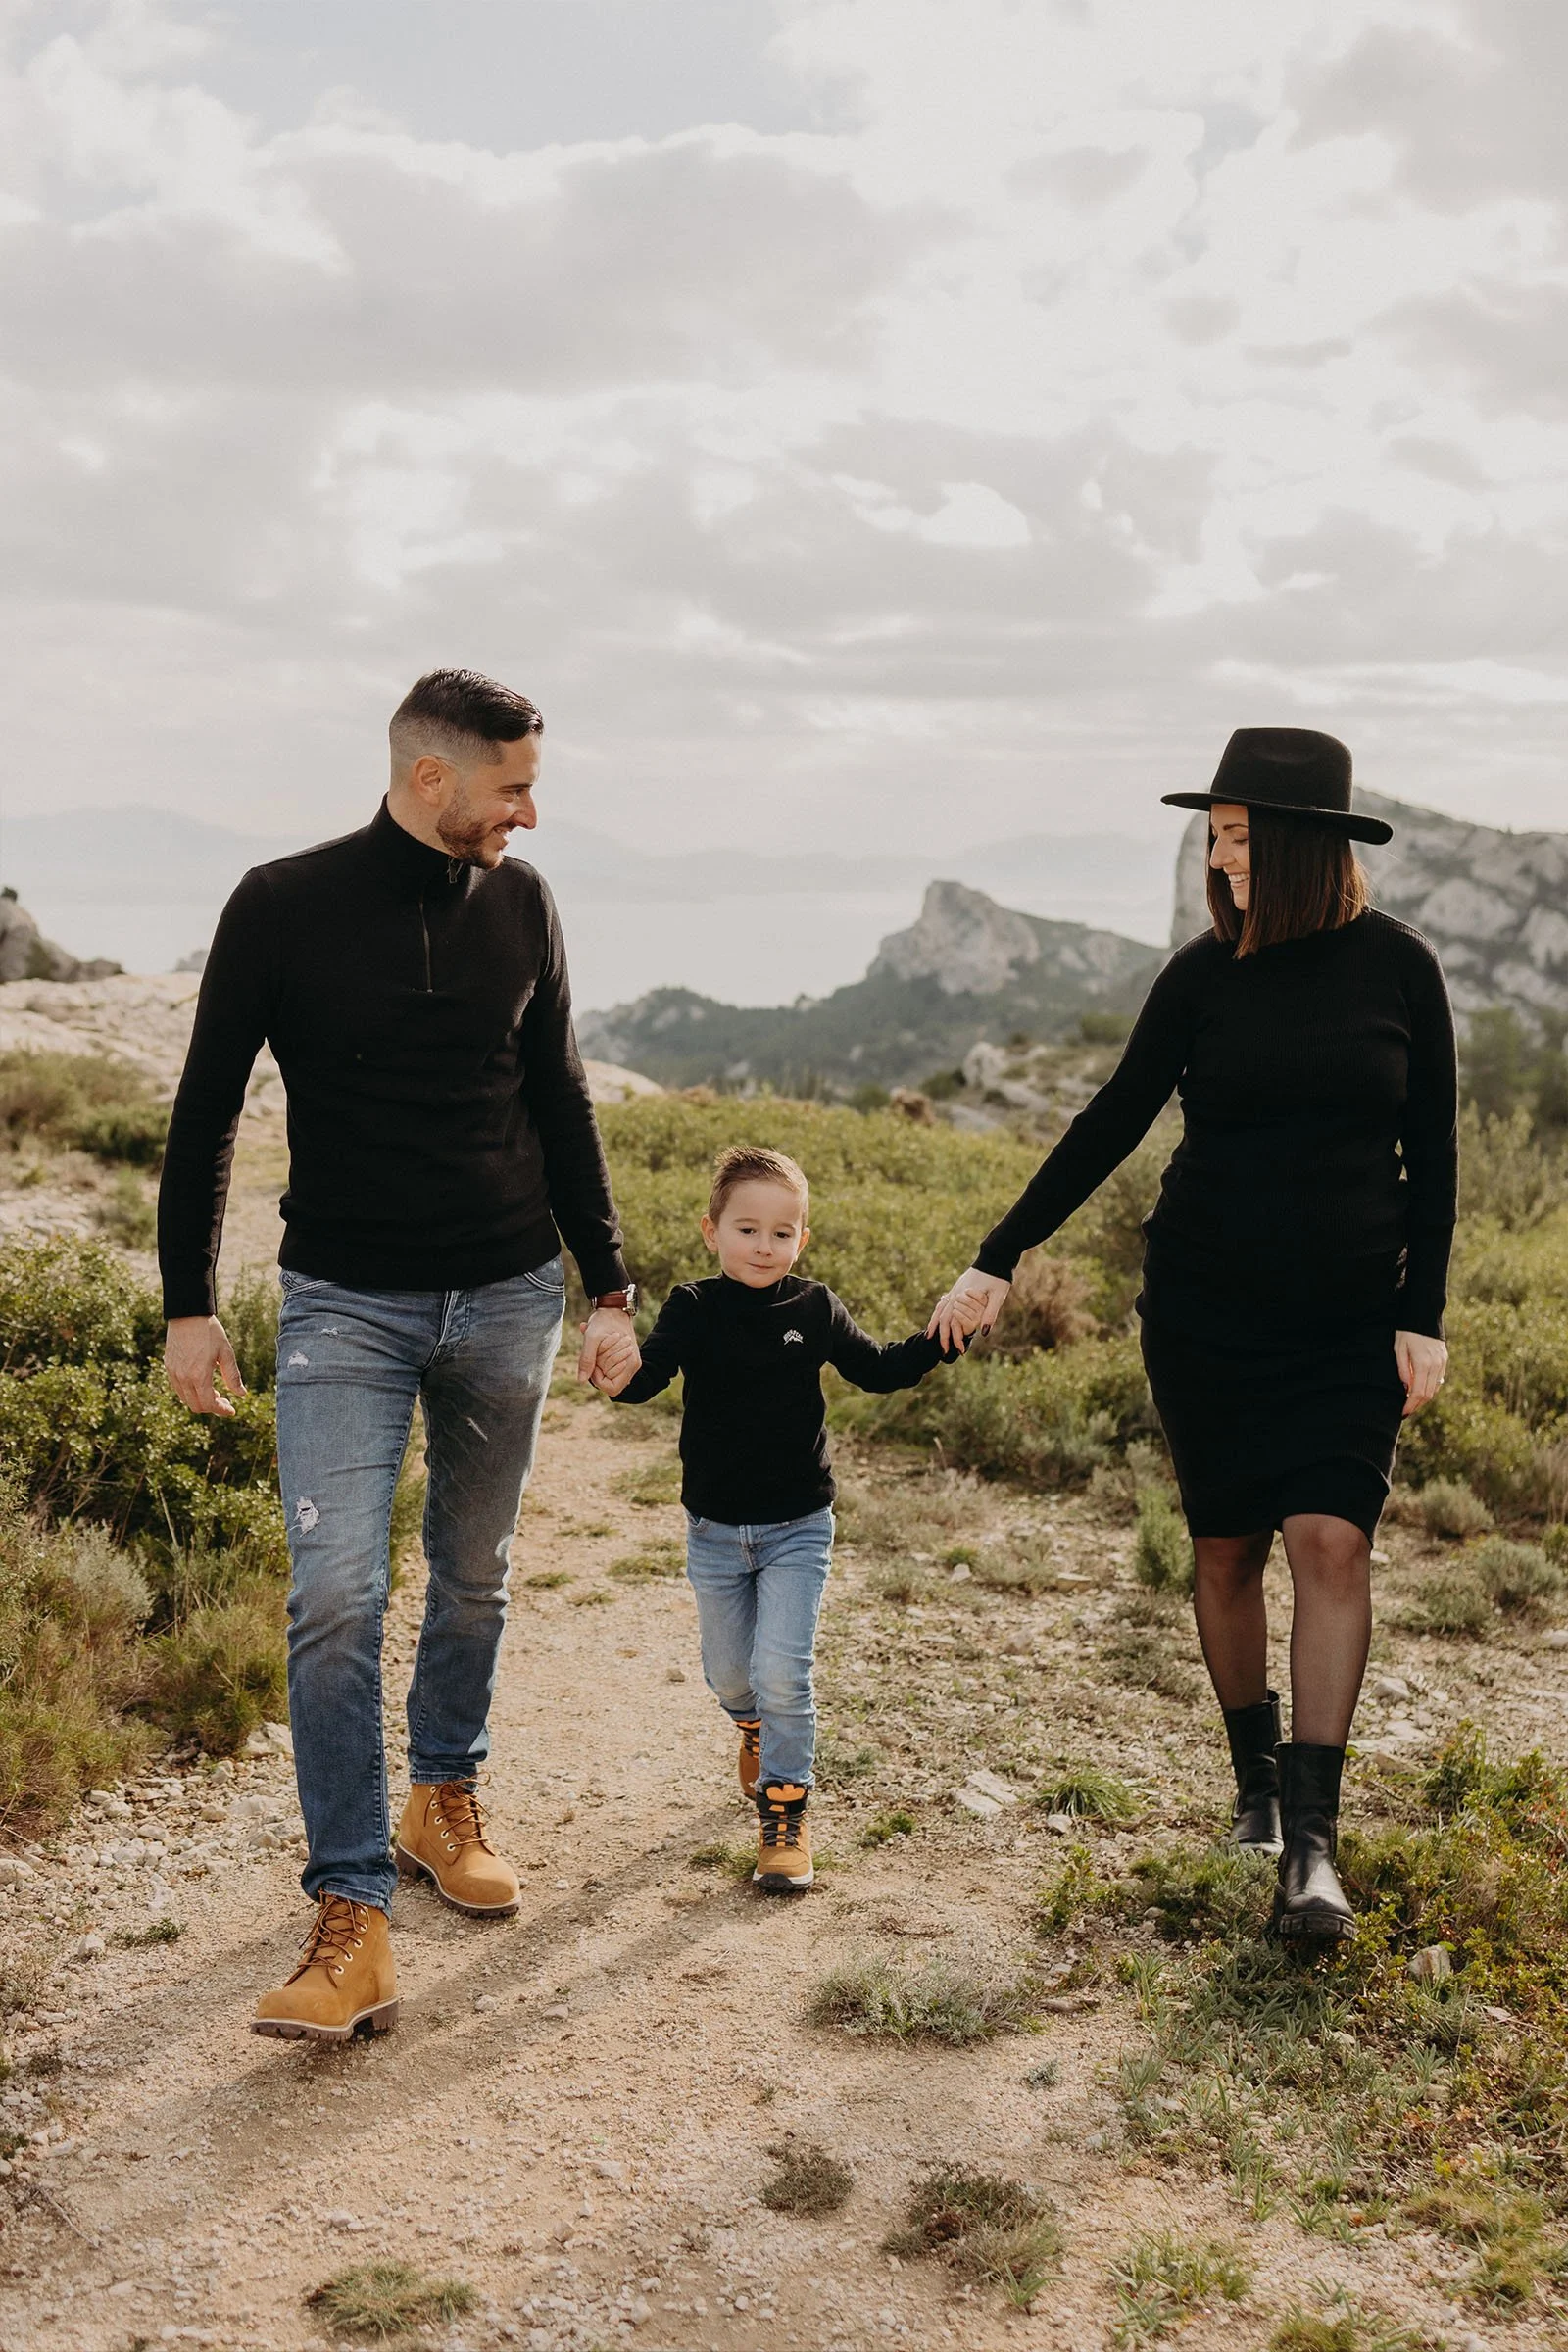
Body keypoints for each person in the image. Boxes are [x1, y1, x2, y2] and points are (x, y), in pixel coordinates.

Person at [158, 667, 640, 2040]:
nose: (530, 814)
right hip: (343, 1310)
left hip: (504, 1296)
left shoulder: (527, 905)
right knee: (334, 1599)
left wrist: (607, 1283)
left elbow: (559, 1095)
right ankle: (352, 1913)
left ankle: (442, 1795)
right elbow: (205, 1112)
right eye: (513, 788)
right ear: (433, 779)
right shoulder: (280, 904)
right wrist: (188, 1300)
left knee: (473, 1575)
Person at [929, 729, 1456, 1943]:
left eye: (1231, 835)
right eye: (1210, 837)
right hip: (1207, 1316)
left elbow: (1433, 1155)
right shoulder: (1201, 977)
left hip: (1343, 1325)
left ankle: (1312, 1854)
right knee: (1223, 1553)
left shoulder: (1398, 970)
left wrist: (1420, 1312)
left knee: (1331, 1543)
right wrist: (997, 1254)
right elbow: (1111, 1117)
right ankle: (1255, 1788)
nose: (1216, 858)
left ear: (1296, 843)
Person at [600, 1145, 959, 1890]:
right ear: (712, 1230)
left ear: (804, 1238)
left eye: (782, 1233)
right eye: (747, 1229)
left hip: (799, 1525)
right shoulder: (694, 1307)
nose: (764, 1246)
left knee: (785, 1673)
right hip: (715, 1530)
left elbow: (882, 1367)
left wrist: (944, 1335)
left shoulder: (816, 1307)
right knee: (732, 1673)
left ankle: (785, 1815)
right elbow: (651, 1376)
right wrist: (616, 1372)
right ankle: (751, 1728)